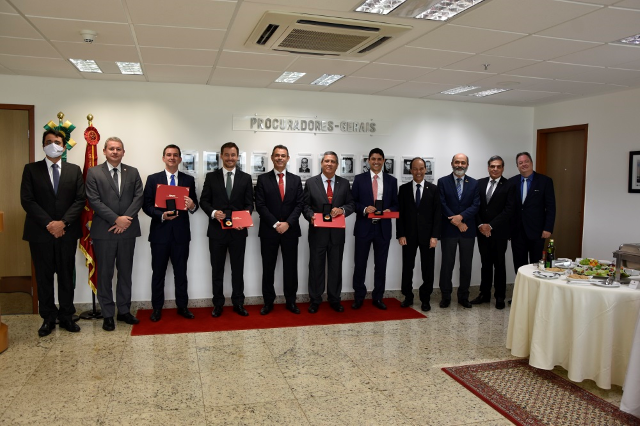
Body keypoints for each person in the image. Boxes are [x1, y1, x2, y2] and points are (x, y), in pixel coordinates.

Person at [20, 129, 86, 337]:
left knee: (66, 275)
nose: (53, 145)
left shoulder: (74, 170)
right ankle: (48, 318)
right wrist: (49, 223)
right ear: (43, 145)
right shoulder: (31, 169)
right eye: (49, 142)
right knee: (44, 277)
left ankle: (67, 316)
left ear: (64, 146)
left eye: (57, 142)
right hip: (40, 233)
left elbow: (80, 200)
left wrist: (63, 223)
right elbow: (27, 200)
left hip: (67, 232)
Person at [86, 136, 144, 331]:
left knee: (125, 273)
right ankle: (108, 314)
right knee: (105, 274)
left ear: (123, 152)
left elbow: (138, 198)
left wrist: (124, 220)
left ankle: (124, 311)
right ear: (104, 151)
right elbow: (94, 200)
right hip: (104, 231)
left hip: (127, 231)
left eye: (118, 149)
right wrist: (115, 219)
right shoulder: (94, 172)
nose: (115, 152)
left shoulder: (133, 172)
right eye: (111, 148)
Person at [142, 145, 199, 322]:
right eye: (169, 155)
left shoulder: (188, 180)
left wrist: (191, 206)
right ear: (163, 158)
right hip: (160, 235)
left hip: (181, 236)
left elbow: (195, 205)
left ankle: (182, 306)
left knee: (181, 273)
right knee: (158, 273)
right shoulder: (153, 179)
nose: (172, 158)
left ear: (180, 159)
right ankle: (157, 308)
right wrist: (161, 215)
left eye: (175, 155)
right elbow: (146, 205)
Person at [200, 142, 254, 317]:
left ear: (237, 157)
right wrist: (214, 212)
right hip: (217, 232)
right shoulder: (211, 177)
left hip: (238, 231)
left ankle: (239, 303)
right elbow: (204, 202)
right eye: (227, 155)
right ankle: (218, 304)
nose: (230, 158)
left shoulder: (246, 178)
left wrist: (244, 220)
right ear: (221, 156)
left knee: (238, 269)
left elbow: (249, 204)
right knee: (217, 269)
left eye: (233, 155)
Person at [303, 151, 355, 313]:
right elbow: (305, 206)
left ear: (337, 165)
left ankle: (334, 299)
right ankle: (315, 299)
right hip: (317, 233)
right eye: (326, 161)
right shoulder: (311, 182)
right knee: (316, 267)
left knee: (335, 267)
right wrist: (310, 216)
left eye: (332, 161)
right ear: (321, 163)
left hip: (337, 234)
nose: (329, 164)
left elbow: (351, 204)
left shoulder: (344, 183)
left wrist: (342, 210)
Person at [255, 145, 304, 315]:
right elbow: (260, 205)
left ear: (288, 158)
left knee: (291, 268)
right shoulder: (262, 179)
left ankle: (291, 301)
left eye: (283, 155)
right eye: (277, 155)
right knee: (268, 268)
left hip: (290, 231)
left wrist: (288, 223)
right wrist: (276, 224)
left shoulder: (296, 180)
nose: (280, 158)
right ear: (272, 157)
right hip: (269, 231)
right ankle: (268, 302)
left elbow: (299, 205)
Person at [351, 148, 399, 310]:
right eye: (373, 159)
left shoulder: (392, 181)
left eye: (379, 159)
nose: (376, 162)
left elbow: (395, 204)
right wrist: (364, 209)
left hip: (383, 229)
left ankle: (378, 297)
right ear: (368, 161)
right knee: (360, 264)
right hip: (364, 227)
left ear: (384, 161)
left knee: (381, 265)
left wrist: (389, 211)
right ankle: (359, 297)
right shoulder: (359, 179)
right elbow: (353, 202)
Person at [396, 157, 441, 311]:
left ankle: (425, 298)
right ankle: (408, 296)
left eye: (421, 168)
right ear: (410, 171)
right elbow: (400, 214)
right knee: (407, 267)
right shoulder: (403, 189)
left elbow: (437, 215)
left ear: (426, 170)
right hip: (408, 237)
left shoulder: (434, 189)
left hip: (428, 237)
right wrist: (400, 234)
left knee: (427, 268)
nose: (418, 172)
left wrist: (435, 236)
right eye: (415, 169)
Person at [471, 156, 515, 310]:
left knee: (499, 265)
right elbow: (475, 206)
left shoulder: (509, 185)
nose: (495, 169)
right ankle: (484, 294)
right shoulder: (479, 183)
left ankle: (500, 296)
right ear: (488, 167)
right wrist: (482, 225)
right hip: (482, 232)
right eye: (492, 166)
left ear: (503, 168)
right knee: (485, 264)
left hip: (499, 232)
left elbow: (509, 210)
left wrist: (491, 225)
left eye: (498, 166)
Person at [438, 153, 480, 309]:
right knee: (447, 265)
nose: (460, 165)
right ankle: (446, 296)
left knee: (466, 265)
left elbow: (476, 205)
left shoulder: (474, 183)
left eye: (463, 162)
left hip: (467, 230)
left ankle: (463, 296)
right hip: (449, 230)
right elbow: (442, 204)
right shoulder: (443, 182)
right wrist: (456, 222)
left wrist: (461, 218)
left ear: (467, 165)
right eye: (457, 162)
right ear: (451, 163)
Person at [509, 152, 556, 274]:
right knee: (519, 266)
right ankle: (521, 291)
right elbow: (508, 208)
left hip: (538, 232)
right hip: (516, 232)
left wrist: (548, 228)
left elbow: (551, 207)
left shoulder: (545, 181)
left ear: (531, 163)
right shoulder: (511, 182)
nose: (523, 164)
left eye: (526, 161)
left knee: (536, 265)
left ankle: (535, 292)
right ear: (517, 166)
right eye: (520, 163)